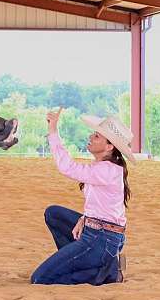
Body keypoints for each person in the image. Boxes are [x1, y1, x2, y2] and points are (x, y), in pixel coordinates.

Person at [30, 109, 134, 285]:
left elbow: (67, 167)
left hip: (102, 239)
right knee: (53, 213)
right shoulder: (105, 168)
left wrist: (53, 131)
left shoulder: (107, 170)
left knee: (40, 278)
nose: (91, 137)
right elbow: (105, 207)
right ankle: (87, 262)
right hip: (100, 233)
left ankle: (104, 273)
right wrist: (84, 218)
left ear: (109, 147)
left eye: (97, 136)